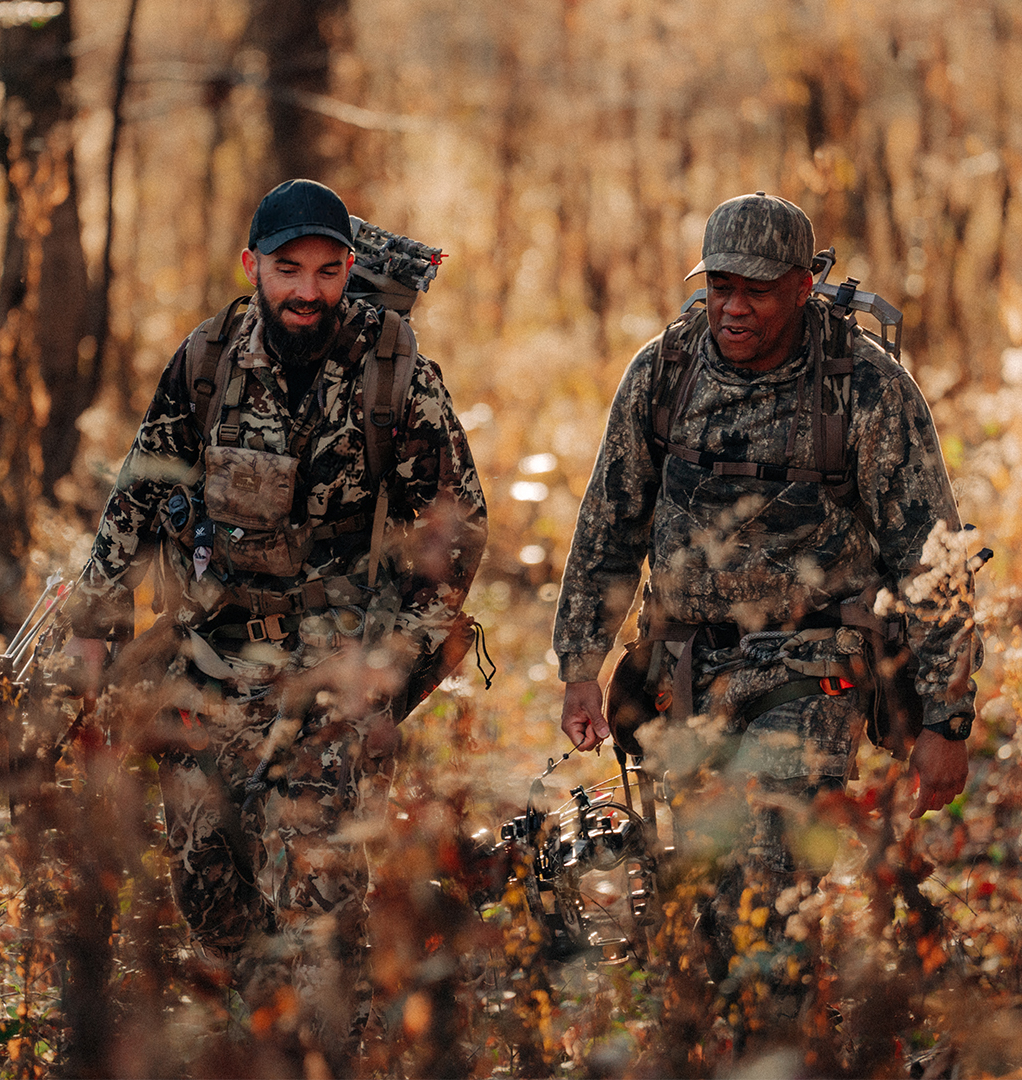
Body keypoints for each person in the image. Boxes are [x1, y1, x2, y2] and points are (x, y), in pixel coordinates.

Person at [65, 179, 487, 1068]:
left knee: (318, 892)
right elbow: (139, 499)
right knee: (207, 887)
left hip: (332, 674)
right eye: (288, 269)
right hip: (208, 663)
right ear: (252, 266)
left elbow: (455, 533)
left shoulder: (395, 370)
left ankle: (336, 1052)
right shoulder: (208, 359)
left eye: (328, 272)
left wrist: (389, 672)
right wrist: (93, 630)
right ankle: (260, 1036)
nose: (308, 291)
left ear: (348, 272)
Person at [552, 192, 981, 1017]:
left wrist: (946, 721)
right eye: (720, 286)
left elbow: (932, 560)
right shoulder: (665, 372)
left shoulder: (865, 388)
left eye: (755, 289)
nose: (733, 306)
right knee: (704, 887)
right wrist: (581, 664)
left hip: (811, 664)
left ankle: (774, 1042)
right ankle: (739, 1040)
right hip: (685, 665)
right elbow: (609, 522)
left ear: (801, 287)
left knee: (769, 874)